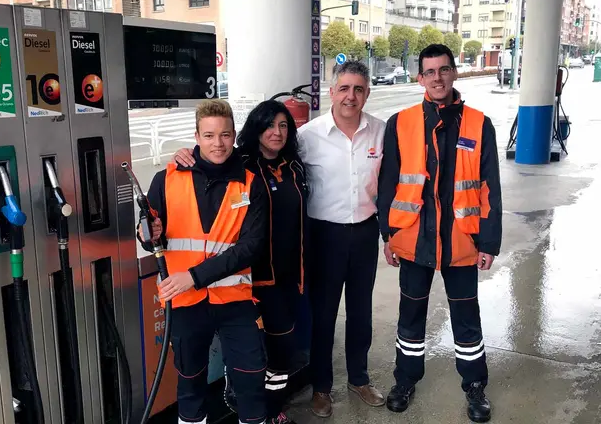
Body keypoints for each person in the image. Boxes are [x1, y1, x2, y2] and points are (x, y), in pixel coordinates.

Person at [377, 44, 502, 423]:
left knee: (467, 317)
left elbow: (490, 186)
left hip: (463, 239)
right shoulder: (401, 122)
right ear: (420, 78)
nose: (437, 78)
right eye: (429, 72)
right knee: (410, 315)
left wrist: (489, 241)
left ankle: (475, 386)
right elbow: (388, 184)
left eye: (444, 70)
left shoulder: (480, 124)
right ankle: (405, 380)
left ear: (454, 73)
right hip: (414, 239)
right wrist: (389, 234)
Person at [172, 100, 308, 424]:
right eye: (269, 125)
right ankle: (258, 405)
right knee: (240, 365)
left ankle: (272, 408)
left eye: (283, 125)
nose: (276, 132)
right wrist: (186, 157)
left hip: (286, 276)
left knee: (280, 353)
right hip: (250, 283)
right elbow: (248, 243)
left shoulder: (293, 167)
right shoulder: (245, 169)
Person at [137, 99, 269, 424]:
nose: (218, 144)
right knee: (190, 384)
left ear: (234, 135)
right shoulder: (165, 179)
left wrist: (194, 276)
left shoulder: (251, 184)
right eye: (209, 136)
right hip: (185, 302)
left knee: (251, 380)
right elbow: (148, 233)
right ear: (196, 136)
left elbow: (251, 247)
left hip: (235, 301)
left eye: (224, 135)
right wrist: (147, 232)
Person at [299, 60, 387, 418]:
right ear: (331, 92)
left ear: (367, 93)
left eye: (359, 89)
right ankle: (321, 388)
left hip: (365, 232)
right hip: (324, 236)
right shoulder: (307, 136)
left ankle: (359, 378)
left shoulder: (381, 132)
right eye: (345, 89)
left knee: (361, 312)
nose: (351, 96)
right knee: (323, 315)